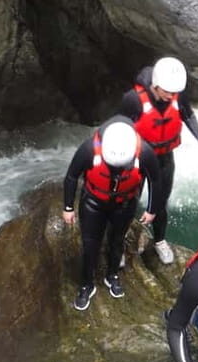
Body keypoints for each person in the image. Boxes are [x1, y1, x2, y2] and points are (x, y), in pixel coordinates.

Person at [118, 56, 198, 265]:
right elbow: (120, 128)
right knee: (128, 203)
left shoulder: (177, 96)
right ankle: (120, 243)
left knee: (160, 203)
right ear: (156, 85)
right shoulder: (133, 99)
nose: (171, 96)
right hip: (138, 158)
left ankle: (160, 240)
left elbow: (188, 116)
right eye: (167, 92)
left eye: (174, 92)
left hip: (164, 158)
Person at [63, 116, 162, 311]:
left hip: (124, 204)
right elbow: (71, 176)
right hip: (93, 202)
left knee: (117, 241)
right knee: (90, 245)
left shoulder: (145, 153)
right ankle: (86, 284)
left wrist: (152, 210)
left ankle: (112, 275)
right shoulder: (89, 149)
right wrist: (68, 207)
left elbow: (155, 181)